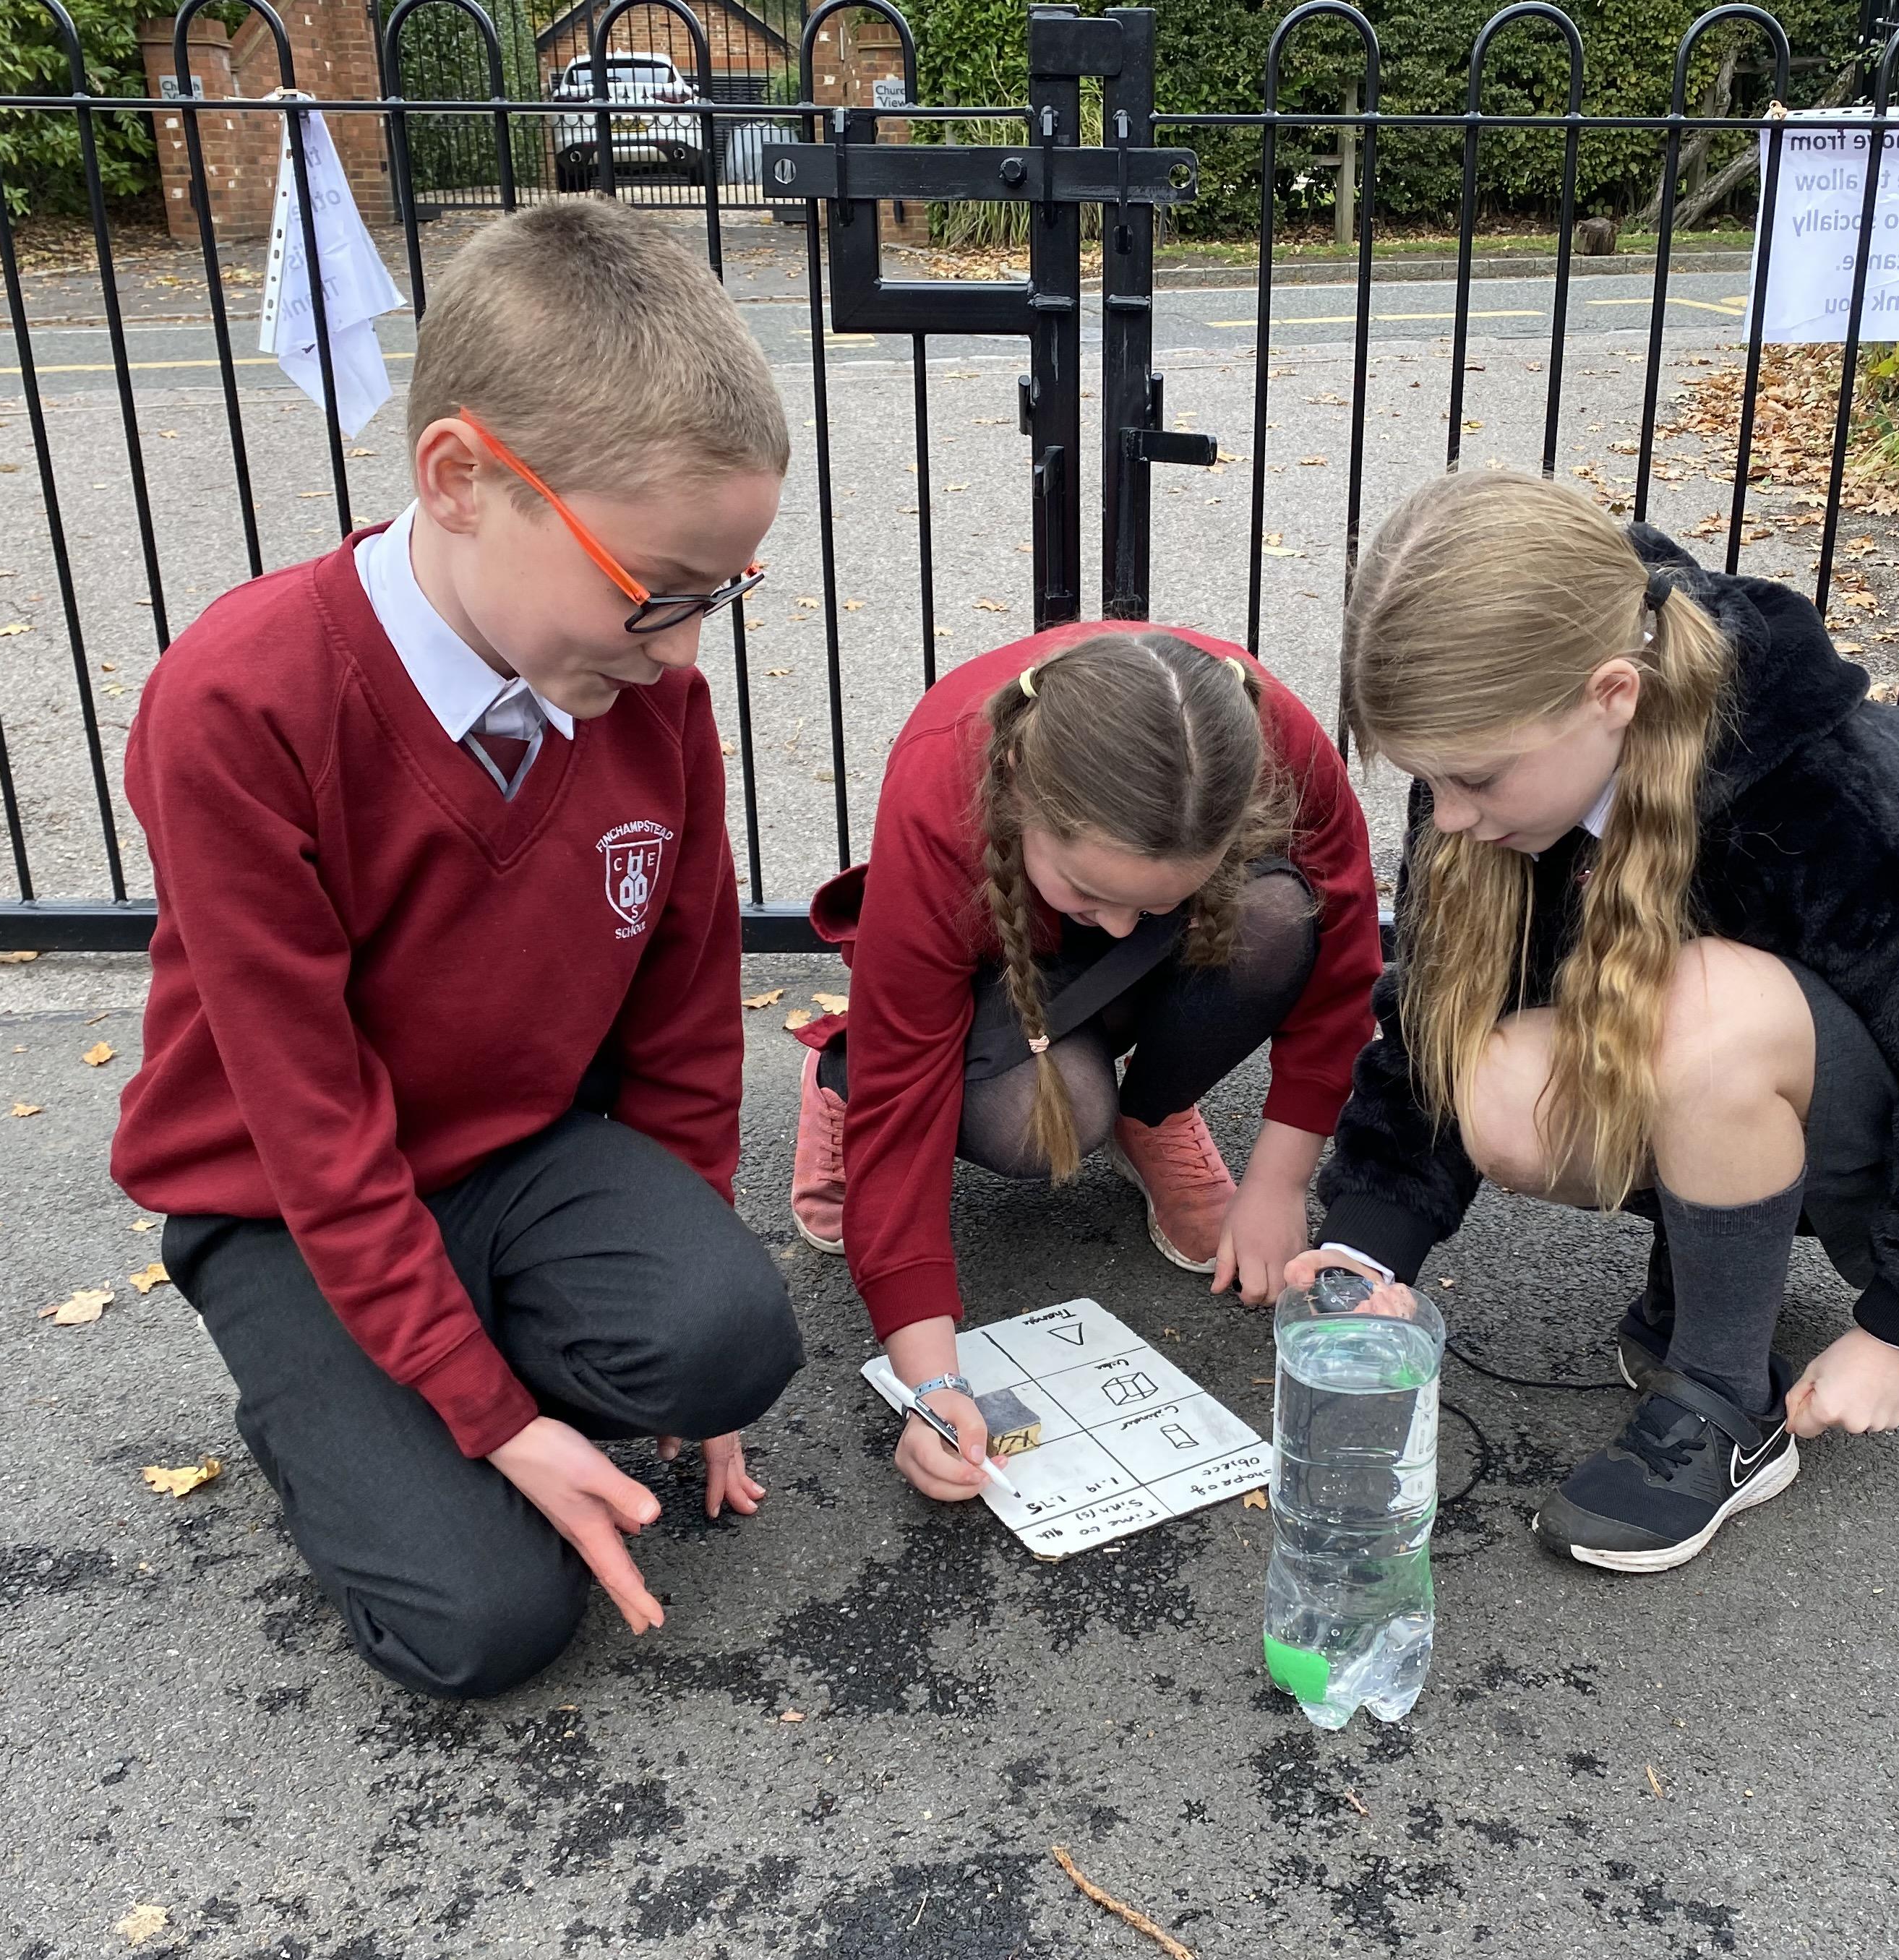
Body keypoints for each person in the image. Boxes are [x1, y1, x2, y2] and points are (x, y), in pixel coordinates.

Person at [112, 200, 803, 1698]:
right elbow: (308, 1119)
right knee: (484, 1623)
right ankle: (336, 1395)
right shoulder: (241, 705)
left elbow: (685, 1023)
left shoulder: (650, 701)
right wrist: (492, 1419)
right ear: (461, 479)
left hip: (515, 1153)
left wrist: (685, 1316)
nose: (684, 651)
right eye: (655, 590)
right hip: (282, 1202)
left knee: (732, 1337)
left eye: (720, 596)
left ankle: (426, 1367)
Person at [1291, 470, 1899, 1573]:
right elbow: (1429, 1022)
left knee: (1697, 1002)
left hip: (1893, 1145)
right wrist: (1366, 1250)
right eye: (1433, 783)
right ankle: (1714, 1275)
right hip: (1730, 1076)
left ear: (1612, 694)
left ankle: (1725, 1396)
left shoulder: (1825, 781)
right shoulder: (1497, 773)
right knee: (1496, 1085)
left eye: (1472, 781)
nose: (1451, 818)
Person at [792, 626, 1381, 1501]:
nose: (1119, 925)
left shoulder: (1272, 747)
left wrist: (1281, 1181)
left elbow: (1343, 970)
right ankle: (836, 1075)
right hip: (998, 966)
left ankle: (1155, 1111)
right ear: (1020, 797)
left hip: (1145, 957)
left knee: (1274, 919)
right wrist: (933, 1384)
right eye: (1090, 893)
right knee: (1044, 1123)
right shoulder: (942, 789)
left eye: (1155, 899)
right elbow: (904, 1088)